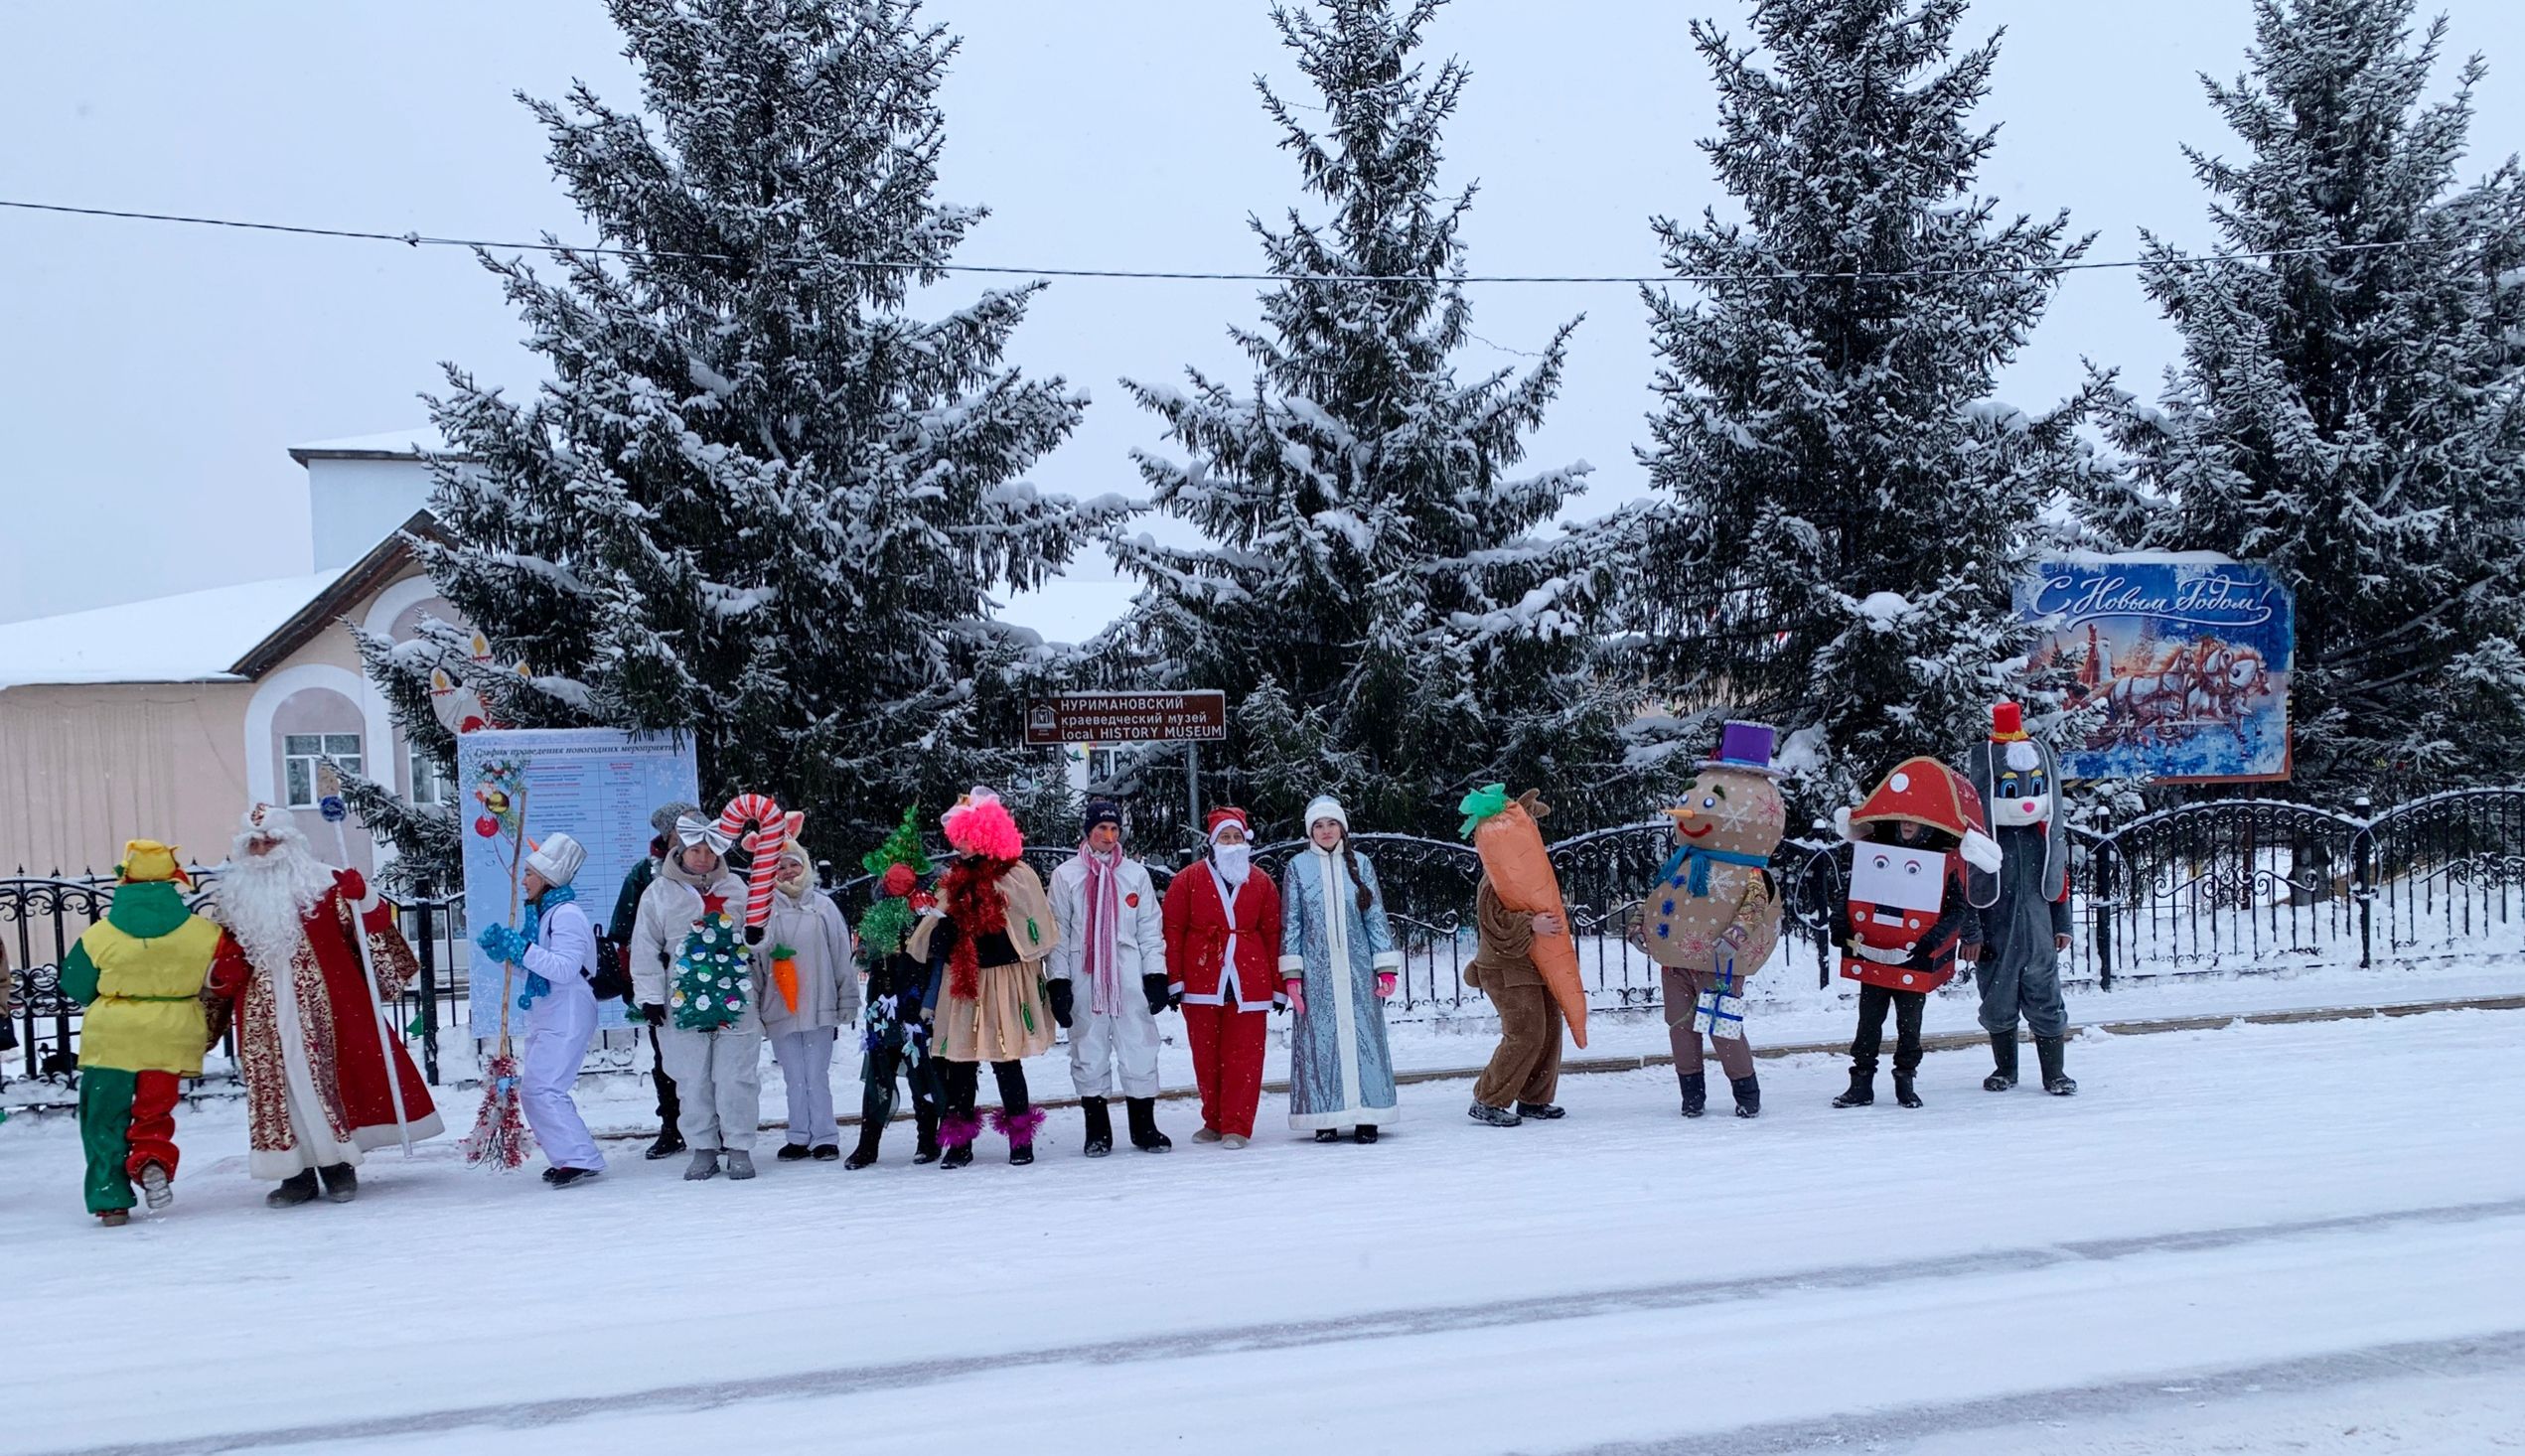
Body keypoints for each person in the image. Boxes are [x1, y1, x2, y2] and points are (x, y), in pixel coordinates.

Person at [206, 804, 444, 1206]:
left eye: (271, 841)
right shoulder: (236, 897)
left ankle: (337, 1166)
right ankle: (293, 1174)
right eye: (255, 843)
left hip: (327, 1009)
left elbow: (372, 936)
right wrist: (221, 972)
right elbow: (228, 951)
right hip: (264, 1013)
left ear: (291, 843)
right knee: (283, 1091)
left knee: (325, 1084)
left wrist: (365, 898)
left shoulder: (325, 885)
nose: (263, 850)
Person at [1633, 722, 1789, 1119]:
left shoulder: (1748, 873)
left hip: (1720, 961)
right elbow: (1659, 899)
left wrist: (1734, 936)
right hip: (1676, 961)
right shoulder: (1682, 864)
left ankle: (1746, 1091)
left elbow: (1756, 904)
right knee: (1681, 1029)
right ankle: (1692, 1093)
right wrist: (1641, 927)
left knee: (1723, 1026)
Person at [63, 840, 221, 1225]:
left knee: (103, 1118)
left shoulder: (100, 935)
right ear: (174, 880)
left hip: (111, 1039)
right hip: (171, 1035)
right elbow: (218, 981)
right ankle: (151, 1159)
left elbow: (75, 985)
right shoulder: (205, 933)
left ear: (125, 879)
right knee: (153, 1111)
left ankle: (109, 1196)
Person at [1831, 759, 2000, 1109]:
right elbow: (1850, 893)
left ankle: (1905, 1080)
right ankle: (1860, 1083)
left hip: (1915, 956)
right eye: (1904, 817)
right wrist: (1841, 924)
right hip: (1874, 950)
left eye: (1917, 818)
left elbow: (1957, 908)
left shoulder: (1943, 856)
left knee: (1910, 1024)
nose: (1909, 824)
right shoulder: (1875, 849)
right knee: (1868, 1021)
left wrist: (1931, 942)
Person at [907, 788, 1059, 1168]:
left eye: (966, 837)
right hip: (964, 979)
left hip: (1003, 977)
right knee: (960, 1060)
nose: (959, 845)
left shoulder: (1017, 875)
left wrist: (997, 936)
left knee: (1006, 1058)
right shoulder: (954, 879)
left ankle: (1020, 1139)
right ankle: (959, 1142)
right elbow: (934, 925)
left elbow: (1033, 924)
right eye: (957, 838)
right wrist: (943, 935)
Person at [631, 814, 763, 1181]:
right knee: (692, 1077)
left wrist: (755, 936)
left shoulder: (737, 887)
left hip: (735, 995)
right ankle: (703, 1147)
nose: (702, 858)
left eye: (708, 850)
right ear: (681, 851)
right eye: (694, 850)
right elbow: (644, 947)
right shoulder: (658, 892)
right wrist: (650, 996)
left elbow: (763, 939)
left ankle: (738, 1145)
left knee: (735, 1075)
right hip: (682, 995)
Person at [475, 831, 605, 1187]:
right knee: (537, 1089)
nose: (524, 881)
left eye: (530, 874)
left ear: (548, 879)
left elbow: (564, 968)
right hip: (550, 1010)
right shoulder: (544, 914)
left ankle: (579, 1158)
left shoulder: (567, 915)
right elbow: (538, 968)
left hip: (568, 1010)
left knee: (543, 1089)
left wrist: (520, 949)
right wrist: (506, 955)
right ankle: (570, 1155)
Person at [1962, 702, 2078, 1095]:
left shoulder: (2040, 836)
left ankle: (2054, 1073)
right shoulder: (1981, 845)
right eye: (2012, 790)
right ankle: (2005, 1069)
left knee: (2046, 999)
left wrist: (2062, 924)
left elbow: (2057, 880)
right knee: (1997, 1000)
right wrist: (1973, 933)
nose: (2026, 802)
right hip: (1995, 939)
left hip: (2040, 935)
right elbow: (1967, 889)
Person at [1047, 799, 1171, 1156]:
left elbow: (1150, 928)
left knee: (1140, 1045)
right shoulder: (1066, 876)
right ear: (1088, 831)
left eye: (1114, 829)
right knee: (1088, 1047)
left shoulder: (1135, 874)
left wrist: (1155, 973)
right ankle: (1097, 1130)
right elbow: (1058, 932)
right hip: (1085, 974)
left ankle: (1144, 1127)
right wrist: (1058, 982)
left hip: (1128, 973)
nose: (1108, 835)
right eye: (1101, 828)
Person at [1279, 796, 1402, 1143]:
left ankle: (1368, 1115)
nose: (1326, 830)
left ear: (1342, 827)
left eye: (1331, 824)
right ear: (1310, 831)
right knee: (1321, 1041)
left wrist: (1385, 968)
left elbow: (1375, 917)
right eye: (1318, 825)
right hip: (1317, 974)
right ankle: (1325, 1115)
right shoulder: (1298, 868)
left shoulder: (1361, 864)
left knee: (1364, 1037)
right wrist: (1292, 975)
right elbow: (1292, 924)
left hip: (1358, 970)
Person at [1162, 806, 1282, 1149]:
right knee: (1206, 1055)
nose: (1231, 843)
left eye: (1236, 837)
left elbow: (1273, 932)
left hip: (1249, 979)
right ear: (1212, 844)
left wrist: (1277, 985)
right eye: (1224, 837)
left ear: (1245, 841)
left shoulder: (1261, 882)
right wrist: (1175, 979)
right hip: (1203, 978)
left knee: (1245, 1056)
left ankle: (1237, 1125)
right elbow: (1172, 929)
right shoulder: (1188, 880)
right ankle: (1213, 1120)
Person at [844, 808, 943, 1169]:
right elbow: (864, 957)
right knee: (879, 1070)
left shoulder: (929, 911)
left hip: (916, 999)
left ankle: (927, 1139)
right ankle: (868, 1143)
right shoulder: (878, 911)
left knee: (921, 1071)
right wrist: (868, 949)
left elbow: (937, 959)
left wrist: (928, 1001)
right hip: (882, 1000)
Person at [611, 801, 697, 1160]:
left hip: (708, 979)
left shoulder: (709, 865)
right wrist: (643, 983)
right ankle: (672, 1126)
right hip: (664, 981)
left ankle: (714, 1123)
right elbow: (625, 930)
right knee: (667, 1055)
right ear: (668, 835)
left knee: (711, 1055)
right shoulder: (645, 874)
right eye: (684, 828)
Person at [760, 842, 857, 1160]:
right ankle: (799, 1135)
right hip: (780, 1002)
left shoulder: (823, 907)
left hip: (818, 1001)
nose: (788, 872)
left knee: (816, 1074)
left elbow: (841, 954)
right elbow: (757, 960)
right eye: (781, 866)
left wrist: (846, 997)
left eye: (793, 865)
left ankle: (825, 1136)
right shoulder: (763, 909)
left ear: (805, 867)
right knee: (792, 1075)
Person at [1466, 867, 1565, 1128]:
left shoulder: (1528, 863)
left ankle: (1533, 1098)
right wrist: (1530, 923)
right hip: (1505, 965)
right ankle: (1487, 1100)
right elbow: (1490, 918)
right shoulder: (1496, 870)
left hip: (1536, 963)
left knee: (1550, 1031)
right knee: (1526, 1033)